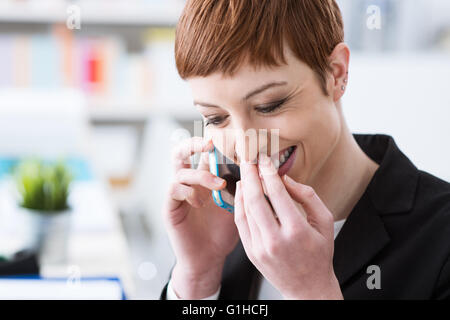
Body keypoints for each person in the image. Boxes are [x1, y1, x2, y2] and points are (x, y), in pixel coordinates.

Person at [160, 0, 450, 299]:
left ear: (336, 73)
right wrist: (197, 277)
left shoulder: (440, 240)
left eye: (269, 105)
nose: (244, 148)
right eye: (215, 118)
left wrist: (312, 292)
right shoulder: (225, 231)